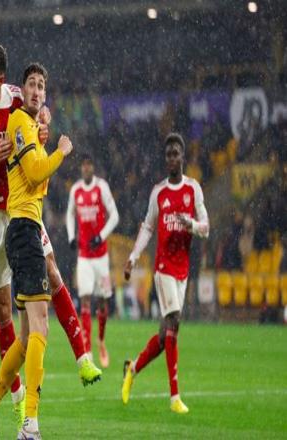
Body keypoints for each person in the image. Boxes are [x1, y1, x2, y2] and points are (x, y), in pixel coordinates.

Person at [0, 43, 101, 429]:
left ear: (2, 79)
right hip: (3, 220)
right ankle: (25, 413)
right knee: (21, 319)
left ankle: (77, 360)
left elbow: (38, 118)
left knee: (36, 315)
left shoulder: (21, 105)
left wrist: (45, 122)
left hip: (24, 220)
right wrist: (55, 150)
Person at [0, 62, 72, 440]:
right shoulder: (18, 121)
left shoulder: (29, 126)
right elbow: (35, 172)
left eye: (42, 86)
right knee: (41, 326)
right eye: (31, 84)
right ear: (22, 89)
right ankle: (30, 423)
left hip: (23, 229)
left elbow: (33, 174)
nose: (36, 90)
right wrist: (61, 151)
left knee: (27, 334)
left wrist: (45, 139)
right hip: (25, 231)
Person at [122, 133, 209, 414]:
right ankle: (174, 397)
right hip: (163, 268)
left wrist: (191, 224)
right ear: (166, 159)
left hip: (183, 269)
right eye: (168, 154)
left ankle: (133, 368)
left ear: (183, 157)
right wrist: (133, 257)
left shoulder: (193, 189)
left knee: (164, 336)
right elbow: (148, 227)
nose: (172, 158)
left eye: (176, 154)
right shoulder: (158, 192)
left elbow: (206, 227)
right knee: (174, 320)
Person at [66, 154, 119, 368]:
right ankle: (87, 350)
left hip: (101, 258)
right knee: (85, 300)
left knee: (103, 301)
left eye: (89, 165)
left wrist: (101, 236)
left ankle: (101, 340)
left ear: (93, 167)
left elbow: (115, 216)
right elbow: (69, 214)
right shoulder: (76, 190)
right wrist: (71, 236)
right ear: (81, 168)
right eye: (84, 165)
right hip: (84, 258)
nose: (86, 168)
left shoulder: (101, 187)